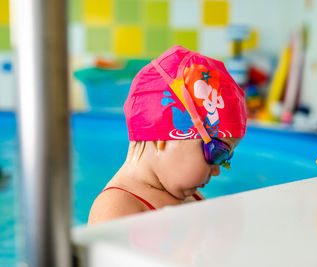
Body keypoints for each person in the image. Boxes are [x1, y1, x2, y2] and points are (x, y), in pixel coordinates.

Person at [88, 46, 247, 224]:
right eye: (217, 153)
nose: (217, 170)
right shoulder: (116, 207)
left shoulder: (191, 196)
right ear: (161, 138)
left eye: (226, 158)